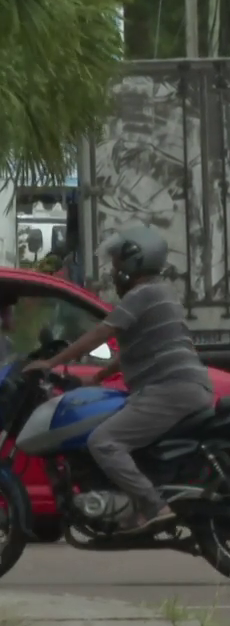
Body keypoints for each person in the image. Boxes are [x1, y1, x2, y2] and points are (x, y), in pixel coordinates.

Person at [24, 226, 213, 534]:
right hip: (180, 388)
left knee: (104, 441)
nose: (114, 273)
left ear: (133, 264)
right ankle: (136, 506)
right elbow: (135, 352)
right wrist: (96, 377)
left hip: (169, 389)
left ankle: (154, 507)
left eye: (116, 265)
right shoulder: (160, 294)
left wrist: (51, 362)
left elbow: (100, 333)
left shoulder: (143, 294)